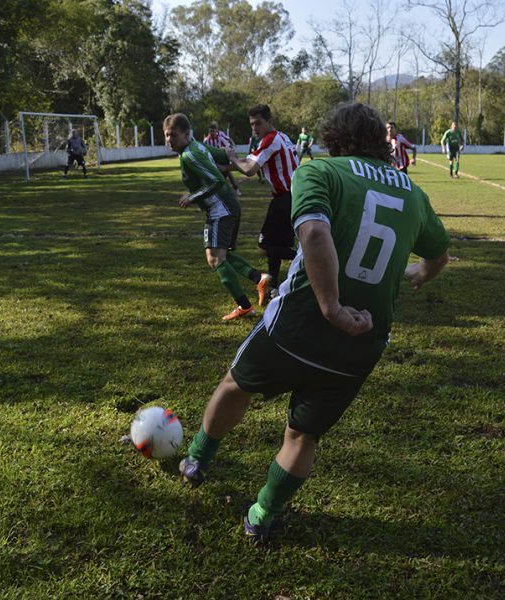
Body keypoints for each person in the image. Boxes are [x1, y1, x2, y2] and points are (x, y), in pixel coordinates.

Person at [179, 102, 450, 544]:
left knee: (236, 384)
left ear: (333, 138)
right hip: (365, 339)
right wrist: (422, 273)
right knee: (303, 435)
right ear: (378, 141)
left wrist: (332, 308)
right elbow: (438, 254)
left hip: (300, 323)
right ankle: (263, 515)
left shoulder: (320, 173)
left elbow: (316, 234)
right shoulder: (412, 193)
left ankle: (197, 458)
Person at [163, 113, 271, 321]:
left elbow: (216, 182)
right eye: (166, 136)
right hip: (228, 206)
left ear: (187, 134)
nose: (169, 140)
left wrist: (191, 197)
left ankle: (245, 307)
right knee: (222, 255)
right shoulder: (197, 147)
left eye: (173, 135)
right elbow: (223, 155)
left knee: (214, 259)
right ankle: (260, 278)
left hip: (220, 209)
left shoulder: (190, 155)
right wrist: (230, 154)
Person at [225, 104, 299, 296]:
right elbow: (248, 163)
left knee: (265, 246)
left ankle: (307, 257)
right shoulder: (281, 137)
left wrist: (232, 158)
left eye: (258, 123)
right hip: (292, 196)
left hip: (285, 198)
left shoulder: (270, 139)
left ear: (269, 121)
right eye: (251, 124)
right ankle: (273, 287)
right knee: (277, 246)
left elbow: (249, 170)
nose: (254, 128)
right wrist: (222, 167)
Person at [203, 122, 242, 195]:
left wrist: (228, 149)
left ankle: (236, 189)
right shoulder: (206, 141)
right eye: (210, 131)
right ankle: (213, 191)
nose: (211, 133)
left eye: (213, 131)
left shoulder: (220, 138)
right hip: (213, 160)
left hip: (222, 159)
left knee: (228, 173)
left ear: (216, 131)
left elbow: (228, 146)